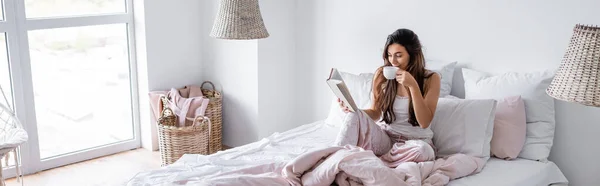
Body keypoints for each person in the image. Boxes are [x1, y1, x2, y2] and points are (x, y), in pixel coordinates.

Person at [334, 28, 441, 167]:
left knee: (423, 150)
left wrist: (413, 86)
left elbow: (424, 122)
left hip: (415, 143)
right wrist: (353, 109)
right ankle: (333, 160)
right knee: (353, 115)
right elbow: (376, 113)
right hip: (387, 140)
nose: (393, 61)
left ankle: (379, 162)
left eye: (398, 55)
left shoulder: (431, 79)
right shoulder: (382, 74)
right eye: (389, 55)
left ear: (412, 55)